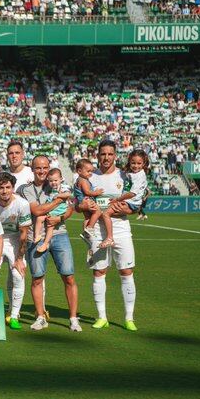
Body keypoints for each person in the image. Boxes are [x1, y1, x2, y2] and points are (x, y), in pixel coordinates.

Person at [20, 155, 80, 332]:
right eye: (38, 168)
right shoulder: (26, 189)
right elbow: (37, 210)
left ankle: (73, 318)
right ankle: (40, 317)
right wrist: (58, 201)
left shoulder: (56, 183)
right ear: (32, 169)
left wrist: (60, 217)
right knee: (37, 278)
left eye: (45, 167)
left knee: (68, 276)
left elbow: (70, 208)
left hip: (60, 234)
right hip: (35, 236)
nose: (42, 171)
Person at [84, 141, 139, 331]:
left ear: (115, 155)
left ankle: (129, 318)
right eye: (103, 154)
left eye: (110, 154)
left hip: (121, 228)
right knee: (99, 272)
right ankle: (102, 317)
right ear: (97, 156)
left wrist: (121, 210)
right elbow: (79, 204)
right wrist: (84, 208)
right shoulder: (90, 177)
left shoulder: (125, 176)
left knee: (126, 271)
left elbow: (134, 205)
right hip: (98, 230)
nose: (106, 157)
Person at [0, 172, 32, 330]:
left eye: (8, 187)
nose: (5, 191)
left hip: (14, 240)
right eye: (1, 188)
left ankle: (14, 315)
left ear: (13, 188)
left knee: (17, 275)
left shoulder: (22, 204)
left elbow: (23, 234)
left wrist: (20, 258)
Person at [101, 149, 149, 249]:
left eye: (139, 163)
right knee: (106, 214)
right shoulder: (132, 173)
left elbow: (132, 193)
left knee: (105, 213)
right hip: (130, 203)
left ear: (144, 163)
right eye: (133, 163)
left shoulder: (139, 176)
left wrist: (117, 199)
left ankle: (110, 238)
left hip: (130, 202)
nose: (136, 166)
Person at [32, 168, 71, 253]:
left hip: (57, 211)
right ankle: (37, 235)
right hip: (51, 210)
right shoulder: (52, 188)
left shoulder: (63, 187)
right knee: (39, 218)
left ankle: (45, 244)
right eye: (51, 181)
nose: (53, 183)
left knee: (50, 227)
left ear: (61, 179)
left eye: (56, 180)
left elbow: (68, 194)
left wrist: (59, 195)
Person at [74, 158, 106, 247]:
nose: (90, 173)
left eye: (91, 171)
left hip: (82, 200)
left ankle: (86, 234)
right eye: (88, 171)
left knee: (87, 217)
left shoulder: (79, 179)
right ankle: (90, 228)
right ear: (79, 171)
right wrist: (97, 193)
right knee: (98, 211)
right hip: (86, 200)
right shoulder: (83, 180)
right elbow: (87, 192)